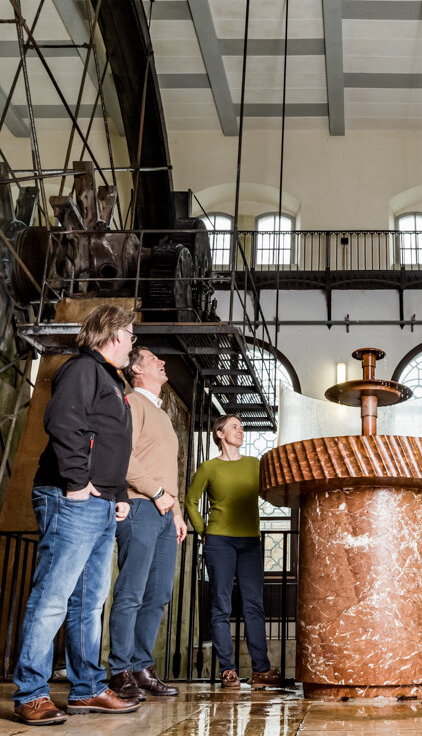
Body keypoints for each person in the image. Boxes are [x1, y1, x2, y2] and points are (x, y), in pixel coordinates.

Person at [12, 305, 141, 725]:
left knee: (89, 603)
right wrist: (75, 483)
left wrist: (118, 492)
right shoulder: (83, 368)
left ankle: (86, 690)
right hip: (72, 498)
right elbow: (64, 423)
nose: (134, 343)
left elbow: (109, 444)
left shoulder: (110, 379)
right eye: (132, 335)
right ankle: (31, 692)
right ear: (116, 334)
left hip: (101, 503)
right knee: (52, 597)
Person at [185, 414, 291, 689]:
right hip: (219, 541)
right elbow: (191, 501)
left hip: (250, 543)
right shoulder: (208, 468)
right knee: (221, 605)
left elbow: (273, 490)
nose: (240, 430)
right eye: (234, 426)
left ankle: (261, 671)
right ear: (219, 433)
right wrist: (203, 531)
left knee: (254, 605)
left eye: (242, 427)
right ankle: (228, 670)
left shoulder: (255, 465)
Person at [107, 346, 188, 701]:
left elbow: (167, 469)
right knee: (132, 592)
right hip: (140, 506)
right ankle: (120, 670)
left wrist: (177, 511)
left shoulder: (164, 415)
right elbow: (122, 456)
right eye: (154, 359)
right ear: (137, 370)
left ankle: (141, 666)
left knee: (158, 595)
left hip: (164, 514)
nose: (162, 362)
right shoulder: (131, 404)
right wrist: (157, 494)